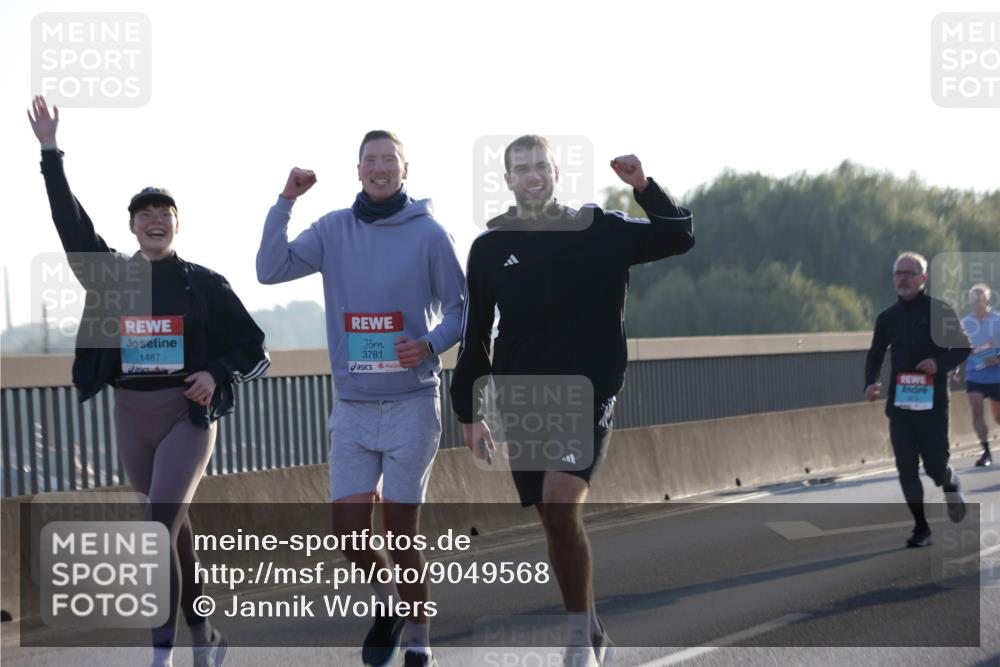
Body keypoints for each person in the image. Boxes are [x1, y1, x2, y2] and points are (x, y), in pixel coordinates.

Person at [28, 96, 270, 667]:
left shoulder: (204, 283)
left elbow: (252, 348)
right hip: (130, 417)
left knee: (156, 531)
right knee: (175, 531)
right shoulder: (112, 276)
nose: (155, 221)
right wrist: (49, 152)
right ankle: (205, 636)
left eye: (165, 214)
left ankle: (161, 655)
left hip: (187, 416)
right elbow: (70, 222)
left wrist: (215, 373)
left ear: (177, 224)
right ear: (133, 227)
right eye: (144, 215)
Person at [450, 135, 694, 667]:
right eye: (521, 169)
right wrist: (468, 411)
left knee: (561, 502)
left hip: (588, 391)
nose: (532, 175)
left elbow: (678, 237)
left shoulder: (600, 229)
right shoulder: (490, 248)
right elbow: (476, 336)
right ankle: (590, 623)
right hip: (523, 398)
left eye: (541, 165)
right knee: (554, 520)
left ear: (555, 172)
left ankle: (579, 638)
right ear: (508, 180)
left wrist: (644, 187)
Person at [256, 131, 464, 667]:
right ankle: (388, 606)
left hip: (411, 405)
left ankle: (419, 644)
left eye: (388, 160)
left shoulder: (430, 234)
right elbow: (269, 268)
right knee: (349, 537)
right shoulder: (332, 230)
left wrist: (428, 344)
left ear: (404, 169)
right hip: (351, 406)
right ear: (358, 170)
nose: (379, 168)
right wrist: (286, 201)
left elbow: (462, 311)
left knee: (399, 537)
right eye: (370, 161)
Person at [864, 251, 971, 548]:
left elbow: (963, 347)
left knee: (936, 467)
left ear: (923, 279)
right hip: (900, 405)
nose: (902, 279)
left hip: (933, 405)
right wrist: (870, 383)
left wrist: (939, 364)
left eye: (909, 274)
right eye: (898, 273)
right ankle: (921, 528)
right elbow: (874, 356)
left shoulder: (939, 311)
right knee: (906, 467)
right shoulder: (887, 318)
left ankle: (950, 483)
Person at [960, 284, 1000, 466]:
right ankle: (986, 452)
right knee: (976, 410)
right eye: (974, 300)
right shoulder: (965, 323)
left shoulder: (998, 320)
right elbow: (958, 349)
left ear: (987, 300)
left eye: (980, 300)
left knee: (998, 416)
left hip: (997, 374)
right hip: (974, 374)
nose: (977, 304)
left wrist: (997, 358)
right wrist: (955, 368)